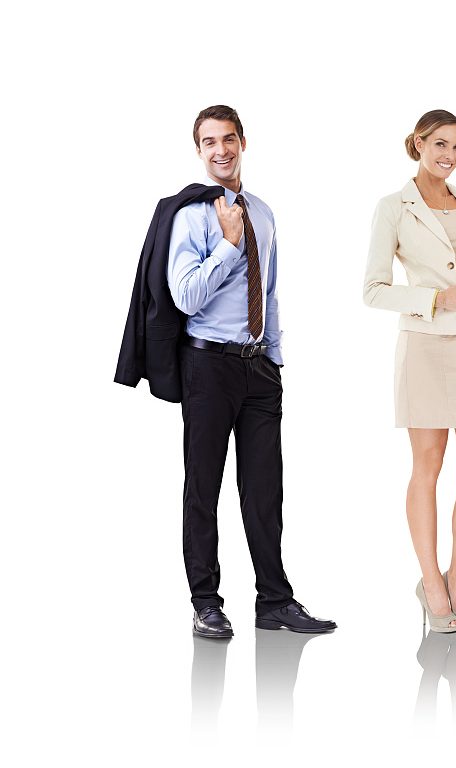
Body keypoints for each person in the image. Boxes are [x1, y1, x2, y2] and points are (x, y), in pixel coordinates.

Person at [114, 105, 336, 637]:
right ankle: (206, 603)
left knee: (265, 489)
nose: (221, 150)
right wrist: (229, 243)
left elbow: (271, 289)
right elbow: (185, 295)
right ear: (199, 151)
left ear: (242, 141)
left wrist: (275, 355)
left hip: (258, 367)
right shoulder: (191, 215)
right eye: (209, 141)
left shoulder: (263, 210)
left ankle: (274, 601)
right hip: (207, 365)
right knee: (204, 487)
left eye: (229, 138)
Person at [364, 109, 456, 633]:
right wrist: (434, 298)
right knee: (428, 467)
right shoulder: (393, 208)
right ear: (418, 144)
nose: (449, 156)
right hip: (425, 346)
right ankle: (430, 581)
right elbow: (373, 289)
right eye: (440, 144)